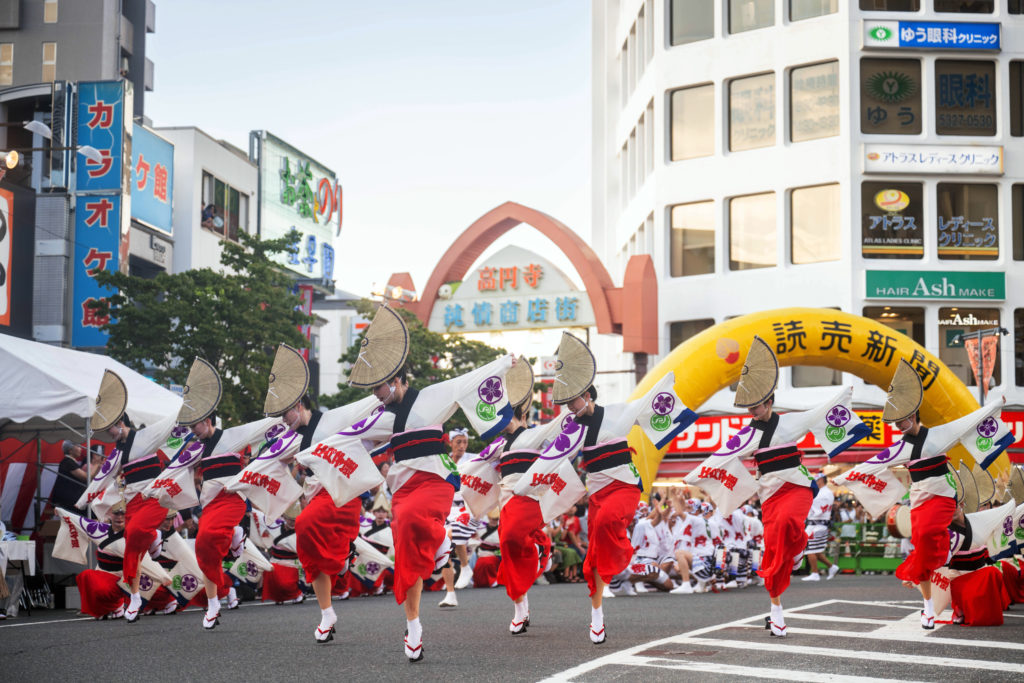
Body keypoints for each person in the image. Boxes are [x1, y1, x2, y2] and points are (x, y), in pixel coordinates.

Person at [334, 304, 516, 661]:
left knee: (414, 520)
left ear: (398, 380)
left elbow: (466, 382)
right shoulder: (380, 416)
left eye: (380, 387)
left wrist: (502, 364)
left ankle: (441, 539)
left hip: (435, 480)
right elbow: (346, 434)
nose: (376, 394)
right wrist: (314, 451)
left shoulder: (431, 397)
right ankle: (414, 625)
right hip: (403, 487)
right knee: (405, 542)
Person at [838, 359, 1011, 629]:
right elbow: (872, 464)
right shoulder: (900, 448)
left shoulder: (939, 435)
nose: (898, 425)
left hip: (943, 498)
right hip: (919, 501)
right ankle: (928, 608)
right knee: (922, 546)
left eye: (901, 420)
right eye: (895, 422)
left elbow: (969, 421)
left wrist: (996, 404)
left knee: (930, 533)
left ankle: (938, 559)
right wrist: (844, 477)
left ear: (914, 414)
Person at [802, 472, 840, 582]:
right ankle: (831, 567)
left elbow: (817, 511)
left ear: (821, 480)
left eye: (816, 480)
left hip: (817, 524)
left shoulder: (823, 494)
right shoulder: (825, 492)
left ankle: (815, 573)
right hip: (818, 524)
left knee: (809, 549)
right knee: (816, 550)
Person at [50, 441, 91, 512]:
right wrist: (96, 464)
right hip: (67, 499)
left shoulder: (70, 461)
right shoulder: (68, 462)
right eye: (78, 446)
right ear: (70, 450)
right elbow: (85, 477)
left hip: (70, 497)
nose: (81, 449)